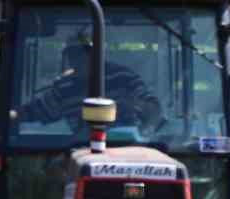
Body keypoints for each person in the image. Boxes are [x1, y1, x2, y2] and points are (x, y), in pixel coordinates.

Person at [18, 37, 161, 130]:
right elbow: (37, 110)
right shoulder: (63, 87)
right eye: (73, 54)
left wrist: (147, 127)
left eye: (84, 52)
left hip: (124, 149)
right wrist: (12, 115)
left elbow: (151, 105)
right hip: (80, 148)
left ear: (97, 54)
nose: (78, 58)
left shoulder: (123, 77)